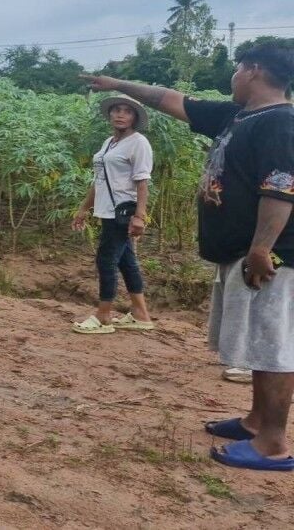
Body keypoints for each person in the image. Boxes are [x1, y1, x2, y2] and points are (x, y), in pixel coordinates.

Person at [83, 40, 294, 471]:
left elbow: (281, 187)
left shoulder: (280, 122)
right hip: (243, 252)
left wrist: (261, 248)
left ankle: (273, 444)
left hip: (273, 259)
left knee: (275, 346)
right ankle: (256, 421)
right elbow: (169, 99)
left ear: (252, 70)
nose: (232, 76)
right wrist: (117, 83)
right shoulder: (238, 115)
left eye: (236, 68)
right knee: (259, 341)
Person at [70, 95, 155, 334]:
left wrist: (140, 216)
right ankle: (141, 314)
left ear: (134, 118)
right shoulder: (109, 143)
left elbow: (142, 183)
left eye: (127, 111)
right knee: (127, 261)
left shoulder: (138, 143)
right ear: (109, 115)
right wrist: (83, 208)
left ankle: (104, 316)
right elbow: (99, 180)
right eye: (116, 110)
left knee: (106, 259)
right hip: (107, 210)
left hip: (123, 211)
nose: (120, 114)